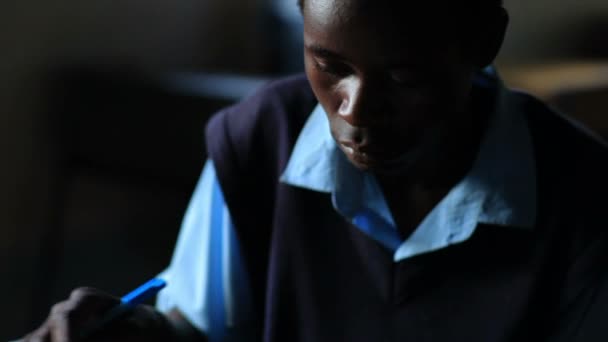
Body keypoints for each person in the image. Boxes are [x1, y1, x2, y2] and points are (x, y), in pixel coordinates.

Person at [21, 0, 608, 341]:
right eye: (328, 65)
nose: (354, 110)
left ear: (484, 40)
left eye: (404, 79)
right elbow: (199, 325)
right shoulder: (262, 138)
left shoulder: (583, 196)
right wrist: (137, 335)